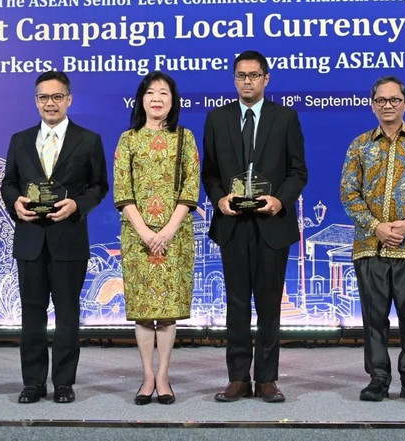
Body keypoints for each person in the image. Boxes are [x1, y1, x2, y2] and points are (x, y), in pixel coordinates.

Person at [202, 50, 307, 403]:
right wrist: (218, 199)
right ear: (234, 80)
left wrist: (280, 199)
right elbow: (211, 174)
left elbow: (298, 172)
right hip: (232, 225)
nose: (247, 81)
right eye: (241, 76)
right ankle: (236, 378)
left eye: (254, 75)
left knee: (268, 305)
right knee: (235, 304)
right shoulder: (217, 119)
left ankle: (266, 379)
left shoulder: (286, 117)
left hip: (271, 224)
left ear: (266, 79)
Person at [1, 71, 109, 404]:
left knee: (67, 313)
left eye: (57, 97)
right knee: (32, 314)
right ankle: (33, 382)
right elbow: (9, 183)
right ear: (36, 101)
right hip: (30, 239)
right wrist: (14, 202)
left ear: (69, 99)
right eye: (44, 97)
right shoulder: (20, 140)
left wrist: (77, 204)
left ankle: (64, 381)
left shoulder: (88, 139)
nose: (50, 103)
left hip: (69, 239)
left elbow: (99, 186)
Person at [340, 77, 405, 403]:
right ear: (372, 104)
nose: (388, 105)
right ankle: (378, 379)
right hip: (369, 245)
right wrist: (376, 226)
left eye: (394, 99)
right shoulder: (359, 145)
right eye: (381, 100)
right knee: (374, 317)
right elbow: (348, 193)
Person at [113, 71, 200, 405]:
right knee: (142, 311)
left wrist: (167, 230)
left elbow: (191, 186)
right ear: (142, 100)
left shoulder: (185, 138)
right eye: (150, 93)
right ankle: (146, 377)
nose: (157, 98)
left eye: (164, 93)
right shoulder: (129, 139)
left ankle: (163, 376)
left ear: (173, 100)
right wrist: (147, 232)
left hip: (175, 235)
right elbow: (123, 191)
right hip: (137, 236)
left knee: (166, 312)